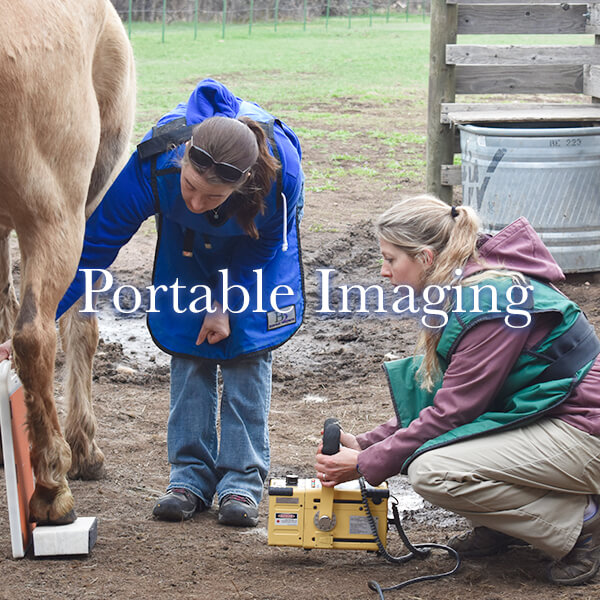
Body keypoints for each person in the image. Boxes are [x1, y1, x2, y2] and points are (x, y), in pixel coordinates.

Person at [315, 194, 600, 585]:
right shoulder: (472, 280)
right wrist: (367, 443)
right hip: (551, 418)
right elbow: (447, 395)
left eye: (390, 258)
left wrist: (366, 464)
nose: (383, 272)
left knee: (434, 471)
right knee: (441, 447)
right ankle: (510, 525)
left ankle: (581, 523)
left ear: (426, 258)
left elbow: (454, 412)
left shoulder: (490, 301)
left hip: (584, 433)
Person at [56, 79, 305, 527]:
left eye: (210, 196)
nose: (194, 199)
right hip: (186, 242)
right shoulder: (155, 164)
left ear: (242, 183)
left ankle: (242, 482)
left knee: (247, 348)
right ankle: (188, 476)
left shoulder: (279, 179)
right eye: (190, 185)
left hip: (251, 250)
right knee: (189, 341)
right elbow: (94, 250)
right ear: (183, 156)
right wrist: (39, 320)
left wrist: (226, 302)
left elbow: (266, 249)